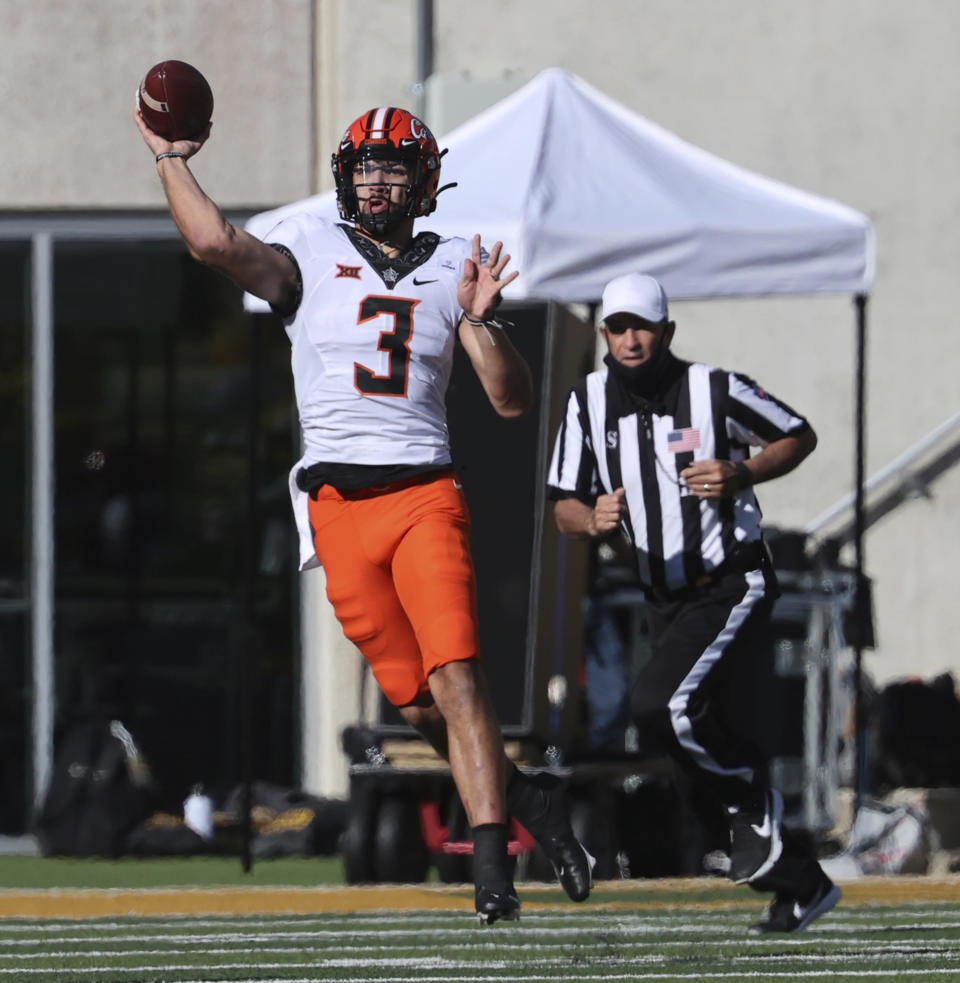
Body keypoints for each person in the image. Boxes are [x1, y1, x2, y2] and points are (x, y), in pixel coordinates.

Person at [135, 104, 593, 924]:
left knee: (459, 676)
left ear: (423, 181)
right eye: (367, 166)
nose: (377, 180)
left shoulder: (457, 263)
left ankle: (492, 871)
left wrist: (484, 320)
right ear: (347, 175)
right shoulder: (307, 249)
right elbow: (213, 243)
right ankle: (533, 799)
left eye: (393, 167)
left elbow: (512, 401)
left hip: (423, 493)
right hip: (339, 507)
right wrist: (171, 157)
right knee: (418, 703)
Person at [546, 272, 841, 933]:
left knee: (661, 704)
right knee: (673, 745)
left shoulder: (714, 388)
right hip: (664, 595)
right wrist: (590, 518)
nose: (630, 338)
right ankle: (800, 881)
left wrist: (743, 471)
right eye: (618, 327)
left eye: (642, 326)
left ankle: (751, 800)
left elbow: (797, 432)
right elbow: (561, 502)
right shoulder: (588, 401)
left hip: (731, 580)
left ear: (667, 332)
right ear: (603, 335)